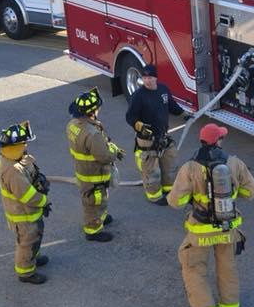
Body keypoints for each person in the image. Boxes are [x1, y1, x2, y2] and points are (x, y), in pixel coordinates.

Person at [168, 123, 254, 307]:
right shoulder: (234, 163)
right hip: (227, 227)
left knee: (194, 269)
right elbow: (251, 193)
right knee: (227, 267)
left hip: (200, 230)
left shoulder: (190, 167)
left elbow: (175, 202)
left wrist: (194, 196)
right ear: (218, 141)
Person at [125, 64, 190, 205]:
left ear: (156, 78)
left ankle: (168, 189)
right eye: (145, 78)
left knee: (169, 164)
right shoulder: (138, 96)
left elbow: (171, 106)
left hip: (162, 136)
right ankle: (154, 196)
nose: (147, 81)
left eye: (150, 77)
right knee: (151, 171)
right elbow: (130, 117)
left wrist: (183, 114)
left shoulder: (163, 90)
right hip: (146, 140)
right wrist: (139, 126)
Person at [0, 121, 50, 284]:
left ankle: (33, 256)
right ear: (17, 146)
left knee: (35, 235)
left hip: (28, 212)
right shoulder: (13, 170)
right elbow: (27, 196)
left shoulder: (11, 158)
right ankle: (26, 272)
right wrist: (44, 201)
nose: (26, 145)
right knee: (27, 241)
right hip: (23, 215)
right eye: (24, 143)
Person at [67, 87, 123, 242]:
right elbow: (104, 156)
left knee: (99, 199)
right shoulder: (92, 134)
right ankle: (93, 230)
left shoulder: (73, 124)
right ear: (92, 112)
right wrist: (115, 152)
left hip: (83, 171)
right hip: (94, 175)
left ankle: (101, 217)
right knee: (93, 202)